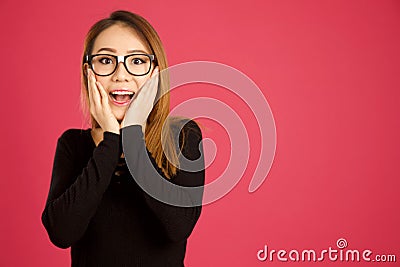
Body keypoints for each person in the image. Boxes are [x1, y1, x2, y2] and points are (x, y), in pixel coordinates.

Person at [41, 10, 205, 267]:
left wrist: (132, 135)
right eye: (106, 61)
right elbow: (62, 233)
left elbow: (178, 226)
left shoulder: (182, 135)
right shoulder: (73, 145)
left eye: (137, 61)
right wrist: (109, 142)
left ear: (154, 74)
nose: (121, 75)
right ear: (88, 72)